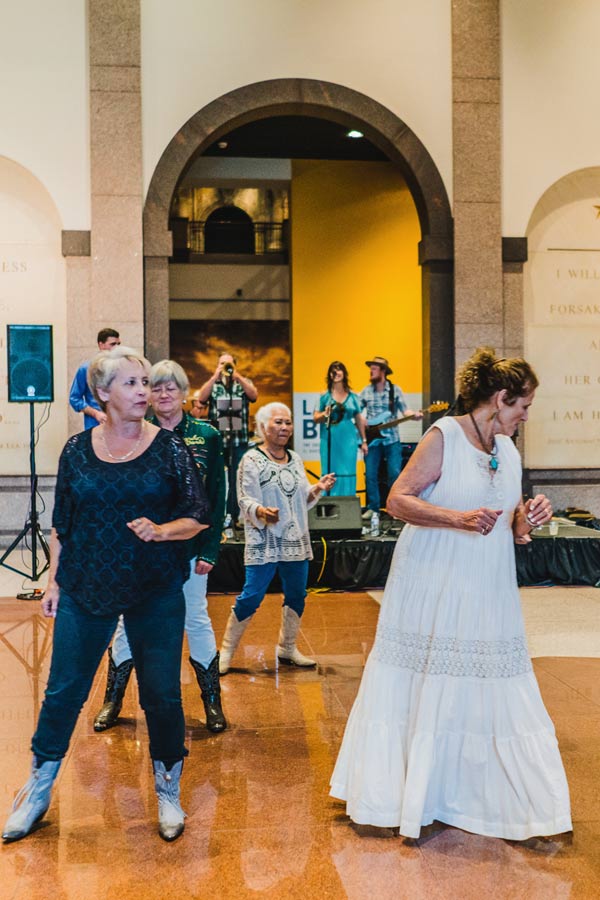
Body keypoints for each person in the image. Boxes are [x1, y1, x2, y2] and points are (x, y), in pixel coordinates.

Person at [330, 348, 572, 841]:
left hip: (488, 586)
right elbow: (398, 498)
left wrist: (530, 518)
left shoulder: (507, 451)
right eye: (522, 405)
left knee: (490, 678)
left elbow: (511, 524)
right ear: (500, 398)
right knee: (429, 676)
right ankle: (415, 790)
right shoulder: (444, 435)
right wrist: (456, 518)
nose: (526, 415)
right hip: (433, 578)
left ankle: (475, 791)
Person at [3, 346, 209, 845]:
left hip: (154, 588)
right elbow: (61, 525)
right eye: (133, 383)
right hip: (85, 586)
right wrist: (53, 582)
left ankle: (166, 786)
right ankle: (39, 785)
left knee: (160, 693)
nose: (144, 392)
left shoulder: (171, 449)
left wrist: (162, 532)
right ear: (103, 393)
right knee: (64, 691)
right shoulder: (76, 450)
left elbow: (198, 515)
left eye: (146, 383)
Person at [93, 359, 228, 736]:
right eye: (157, 387)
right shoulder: (137, 434)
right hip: (142, 547)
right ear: (148, 395)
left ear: (184, 394)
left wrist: (211, 550)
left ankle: (212, 702)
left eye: (172, 388)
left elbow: (216, 498)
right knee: (125, 623)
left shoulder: (207, 436)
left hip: (188, 546)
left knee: (196, 619)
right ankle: (112, 700)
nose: (164, 394)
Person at [219, 402, 335, 674]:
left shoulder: (295, 458)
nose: (284, 428)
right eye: (278, 422)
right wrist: (260, 511)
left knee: (297, 594)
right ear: (262, 427)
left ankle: (287, 648)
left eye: (288, 422)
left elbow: (301, 499)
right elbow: (244, 499)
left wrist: (318, 488)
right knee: (251, 596)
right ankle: (225, 651)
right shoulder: (251, 459)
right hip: (264, 541)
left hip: (295, 541)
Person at [198, 352, 257, 523]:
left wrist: (238, 376)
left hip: (238, 440)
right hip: (217, 440)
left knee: (237, 479)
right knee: (215, 477)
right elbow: (201, 399)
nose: (225, 367)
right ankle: (215, 515)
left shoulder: (243, 383)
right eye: (222, 363)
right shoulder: (214, 385)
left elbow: (253, 396)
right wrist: (215, 376)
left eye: (229, 364)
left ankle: (234, 516)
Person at [360, 355, 421, 520]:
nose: (371, 371)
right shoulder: (366, 391)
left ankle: (395, 508)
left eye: (374, 369)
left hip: (392, 439)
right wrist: (361, 420)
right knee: (371, 475)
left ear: (383, 371)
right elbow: (356, 413)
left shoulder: (395, 390)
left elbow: (405, 410)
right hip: (372, 440)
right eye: (371, 368)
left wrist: (413, 415)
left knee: (394, 473)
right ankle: (374, 509)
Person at [313, 361, 367, 496]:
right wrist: (325, 414)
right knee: (330, 469)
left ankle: (347, 500)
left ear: (344, 373)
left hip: (348, 439)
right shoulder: (324, 396)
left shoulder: (353, 396)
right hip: (330, 438)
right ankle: (329, 504)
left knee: (347, 469)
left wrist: (364, 440)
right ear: (329, 375)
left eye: (339, 369)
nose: (336, 373)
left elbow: (359, 419)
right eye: (333, 370)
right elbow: (315, 418)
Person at [69, 328, 121, 428]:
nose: (117, 348)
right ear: (101, 345)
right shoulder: (86, 369)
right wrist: (95, 413)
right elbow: (74, 398)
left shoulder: (122, 369)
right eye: (113, 344)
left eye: (118, 344)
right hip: (94, 425)